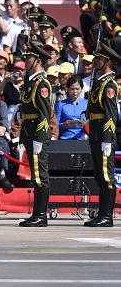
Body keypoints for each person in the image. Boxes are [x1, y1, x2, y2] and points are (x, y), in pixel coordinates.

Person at [84, 43, 120, 227]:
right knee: (100, 175)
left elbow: (111, 115)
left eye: (99, 58)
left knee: (107, 175)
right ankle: (102, 214)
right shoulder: (99, 82)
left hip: (103, 135)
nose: (95, 61)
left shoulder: (109, 85)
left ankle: (107, 216)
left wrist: (107, 138)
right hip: (95, 133)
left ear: (107, 61)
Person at [18, 42, 52, 227]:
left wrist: (39, 137)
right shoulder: (31, 82)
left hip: (38, 133)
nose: (25, 61)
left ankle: (41, 215)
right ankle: (37, 213)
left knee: (40, 174)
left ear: (37, 60)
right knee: (35, 174)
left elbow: (45, 114)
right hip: (29, 132)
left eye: (28, 58)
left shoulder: (41, 84)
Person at [55, 75, 88, 140]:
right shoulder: (61, 104)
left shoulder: (86, 104)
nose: (75, 91)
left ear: (81, 89)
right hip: (65, 139)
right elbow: (55, 126)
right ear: (67, 89)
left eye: (77, 89)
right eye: (72, 89)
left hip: (82, 138)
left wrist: (85, 124)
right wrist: (65, 125)